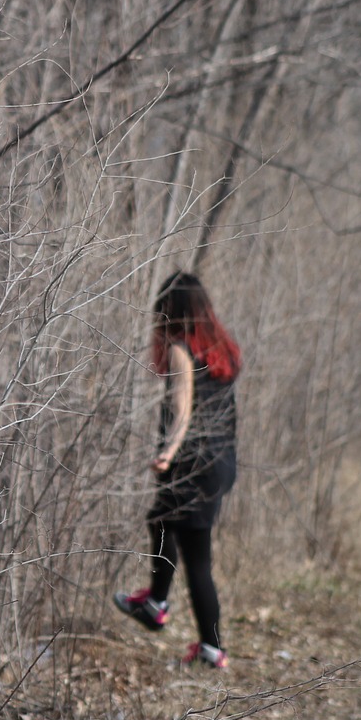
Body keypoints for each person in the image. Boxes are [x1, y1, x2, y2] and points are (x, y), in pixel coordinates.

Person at [115, 271, 241, 669]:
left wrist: (167, 454)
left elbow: (183, 410)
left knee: (168, 527)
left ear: (171, 311)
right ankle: (209, 647)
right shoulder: (221, 349)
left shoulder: (182, 350)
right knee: (181, 540)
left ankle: (156, 605)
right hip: (220, 463)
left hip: (192, 465)